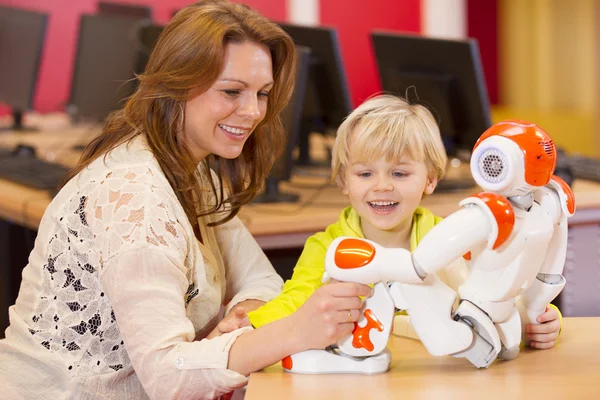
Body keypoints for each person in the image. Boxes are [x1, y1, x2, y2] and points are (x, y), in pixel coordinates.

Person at [0, 1, 371, 399]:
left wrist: (238, 321)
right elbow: (168, 376)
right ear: (176, 84)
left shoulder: (190, 170)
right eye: (232, 91)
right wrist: (288, 332)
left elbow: (261, 278)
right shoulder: (136, 199)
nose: (252, 112)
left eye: (262, 94)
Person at [246, 94, 562, 351]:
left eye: (399, 173)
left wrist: (541, 318)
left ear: (431, 179)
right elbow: (296, 301)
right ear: (343, 180)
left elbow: (504, 289)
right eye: (365, 173)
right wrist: (253, 324)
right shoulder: (326, 247)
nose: (382, 186)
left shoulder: (456, 239)